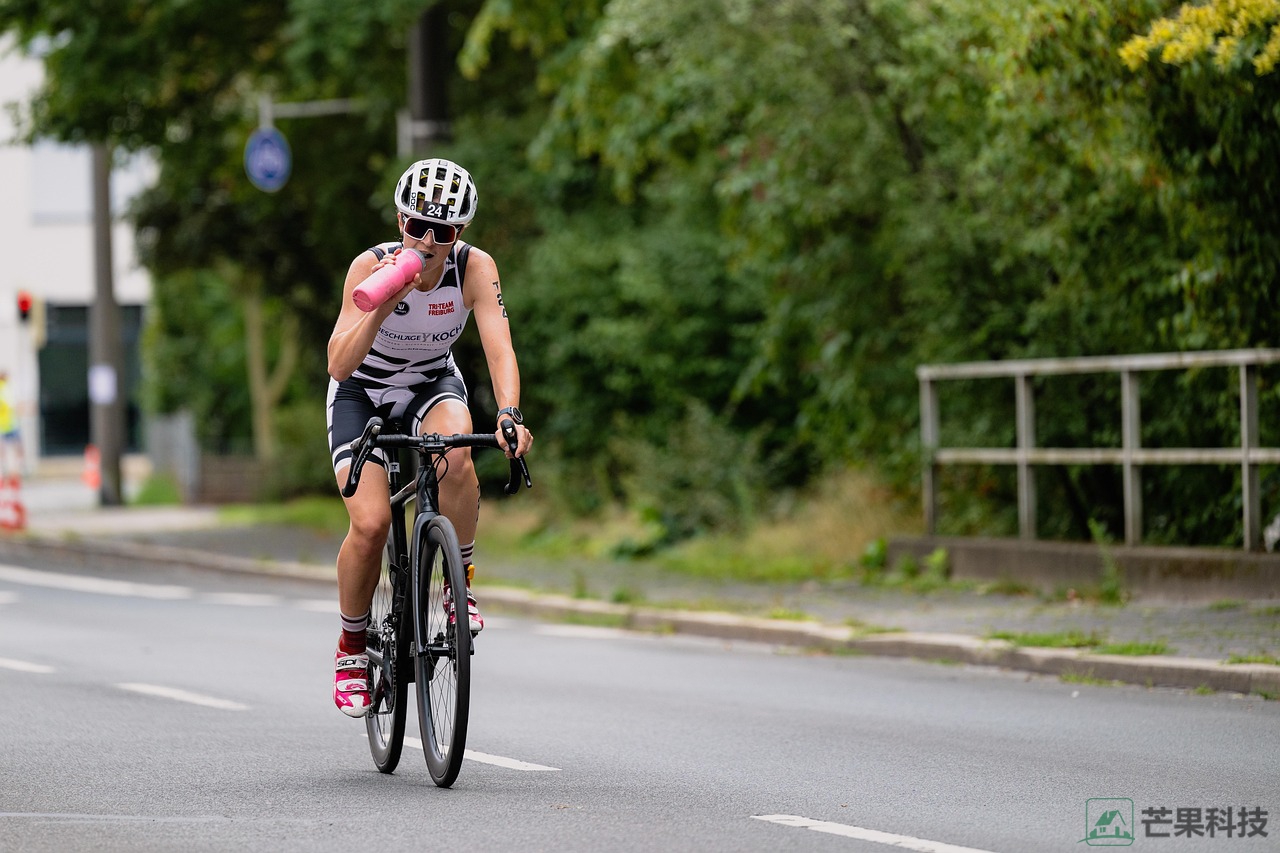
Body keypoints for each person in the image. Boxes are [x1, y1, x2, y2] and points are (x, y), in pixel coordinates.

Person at [325, 158, 533, 717]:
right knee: (369, 524)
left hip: (429, 381)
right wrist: (385, 299)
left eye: (442, 231)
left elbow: (498, 347)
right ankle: (350, 649)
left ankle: (457, 582)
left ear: (458, 233)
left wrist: (510, 412)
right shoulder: (367, 267)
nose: (429, 240)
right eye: (417, 226)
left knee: (459, 453)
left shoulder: (474, 268)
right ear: (399, 221)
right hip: (362, 391)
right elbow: (340, 364)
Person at [0, 370, 23, 479]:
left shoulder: (6, 388)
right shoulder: (5, 389)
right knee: (15, 451)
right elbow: (11, 406)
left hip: (6, 425)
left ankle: (7, 475)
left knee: (6, 454)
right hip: (8, 425)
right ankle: (13, 475)